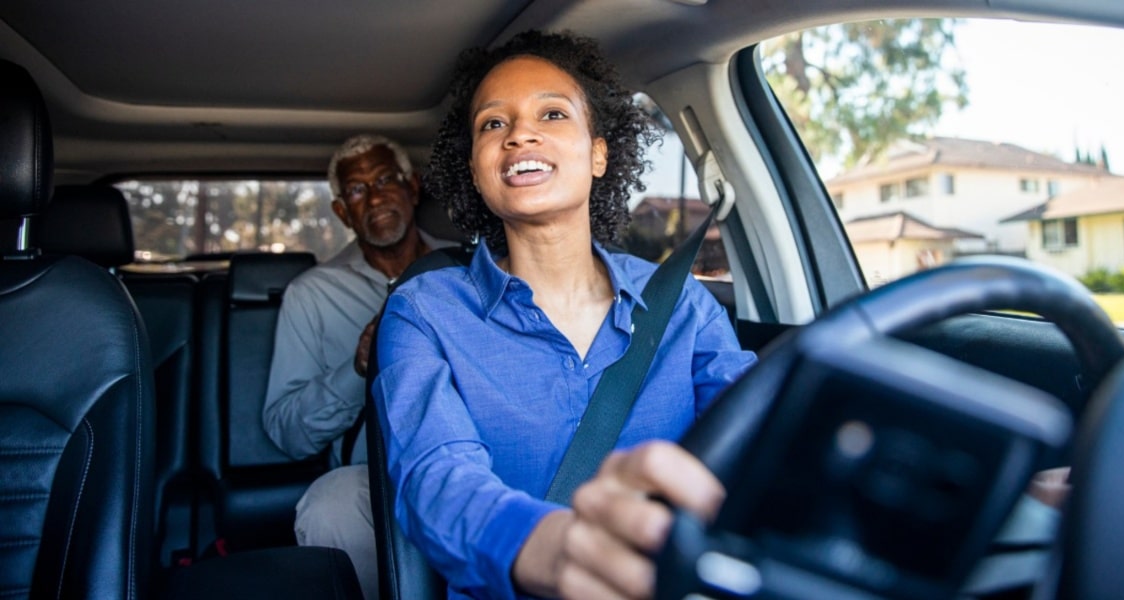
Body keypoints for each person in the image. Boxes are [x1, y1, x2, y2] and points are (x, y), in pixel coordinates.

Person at [371, 30, 757, 600]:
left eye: (551, 114)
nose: (520, 133)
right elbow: (436, 478)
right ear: (476, 169)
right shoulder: (422, 313)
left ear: (599, 153)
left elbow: (757, 419)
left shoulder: (682, 303)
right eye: (492, 124)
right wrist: (550, 546)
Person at [263, 133, 445, 600]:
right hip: (374, 477)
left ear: (413, 187)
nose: (376, 196)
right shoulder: (312, 294)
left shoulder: (467, 268)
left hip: (479, 457)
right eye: (358, 190)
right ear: (343, 212)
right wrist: (358, 367)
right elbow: (285, 431)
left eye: (385, 179)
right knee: (330, 504)